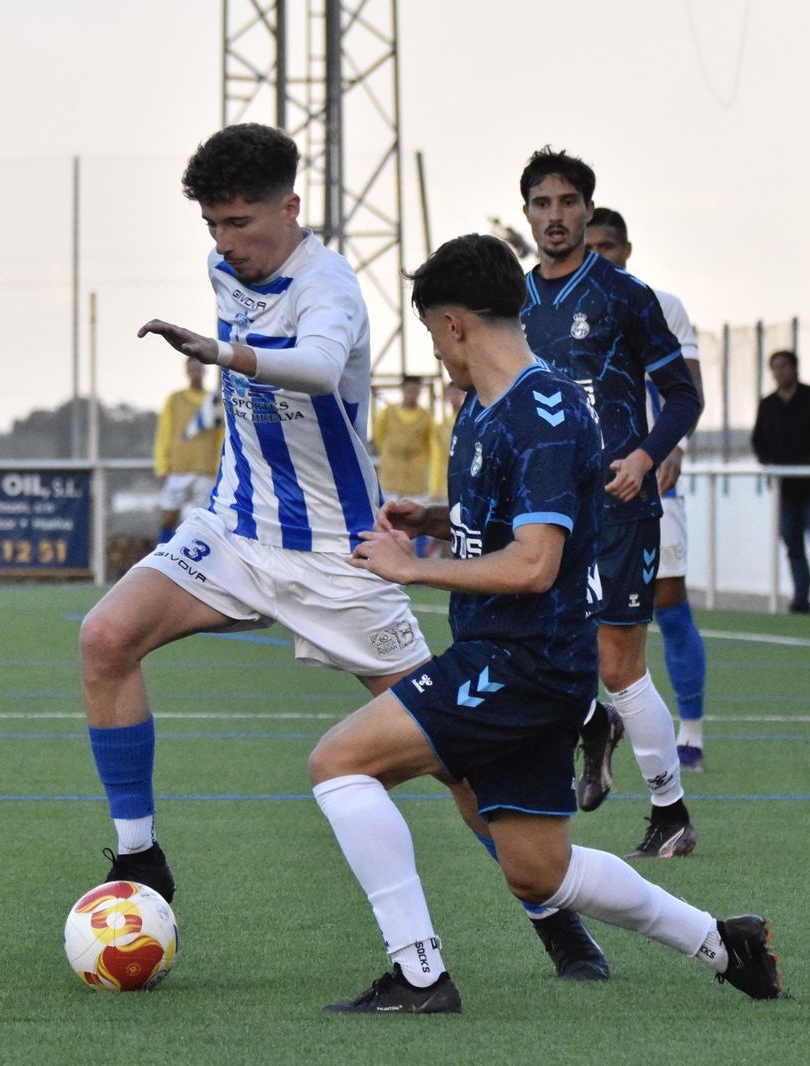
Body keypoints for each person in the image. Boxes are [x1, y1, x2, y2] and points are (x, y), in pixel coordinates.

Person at [79, 123, 607, 985]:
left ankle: (553, 918)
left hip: (340, 555)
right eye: (212, 226)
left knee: (455, 761)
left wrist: (219, 352)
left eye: (241, 223)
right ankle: (141, 860)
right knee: (105, 638)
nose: (225, 244)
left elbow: (322, 367)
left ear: (291, 207)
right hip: (234, 528)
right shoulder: (226, 266)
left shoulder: (333, 288)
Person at [310, 232, 780, 1014]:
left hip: (518, 663)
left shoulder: (544, 410)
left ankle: (419, 974)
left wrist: (411, 567)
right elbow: (512, 518)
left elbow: (534, 564)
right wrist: (432, 519)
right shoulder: (486, 409)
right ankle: (724, 944)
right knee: (540, 870)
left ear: (456, 324)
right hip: (522, 664)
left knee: (338, 764)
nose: (438, 356)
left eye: (433, 336)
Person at [517, 149, 703, 859]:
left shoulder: (625, 295)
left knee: (619, 661)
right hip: (541, 507)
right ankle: (593, 723)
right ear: (528, 213)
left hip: (618, 502)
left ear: (587, 211)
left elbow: (684, 395)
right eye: (542, 203)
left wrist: (645, 455)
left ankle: (670, 811)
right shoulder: (515, 302)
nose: (556, 216)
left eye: (569, 202)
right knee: (528, 646)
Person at [586, 207, 710, 771]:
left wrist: (669, 449)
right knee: (574, 609)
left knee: (669, 605)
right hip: (579, 484)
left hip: (649, 477)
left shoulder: (659, 304)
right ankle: (591, 726)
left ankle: (692, 730)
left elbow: (686, 392)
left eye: (607, 246)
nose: (598, 255)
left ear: (626, 250)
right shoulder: (549, 304)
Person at [751, 350, 810, 615]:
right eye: (775, 368)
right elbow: (758, 441)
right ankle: (800, 597)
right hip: (786, 488)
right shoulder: (768, 405)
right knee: (791, 542)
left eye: (783, 367)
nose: (779, 373)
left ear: (794, 368)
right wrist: (771, 463)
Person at [152, 357, 224, 542]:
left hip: (205, 469)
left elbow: (220, 436)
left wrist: (219, 468)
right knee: (169, 516)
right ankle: (163, 552)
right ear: (187, 371)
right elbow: (164, 432)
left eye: (198, 369)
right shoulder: (175, 399)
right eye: (192, 370)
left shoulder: (214, 400)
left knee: (203, 520)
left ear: (204, 371)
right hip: (178, 468)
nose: (195, 373)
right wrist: (162, 465)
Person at [371, 375, 437, 502]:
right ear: (402, 390)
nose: (411, 394)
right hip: (390, 479)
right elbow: (378, 436)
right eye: (409, 390)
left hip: (416, 483)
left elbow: (433, 447)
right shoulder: (386, 413)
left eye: (415, 390)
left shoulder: (427, 418)